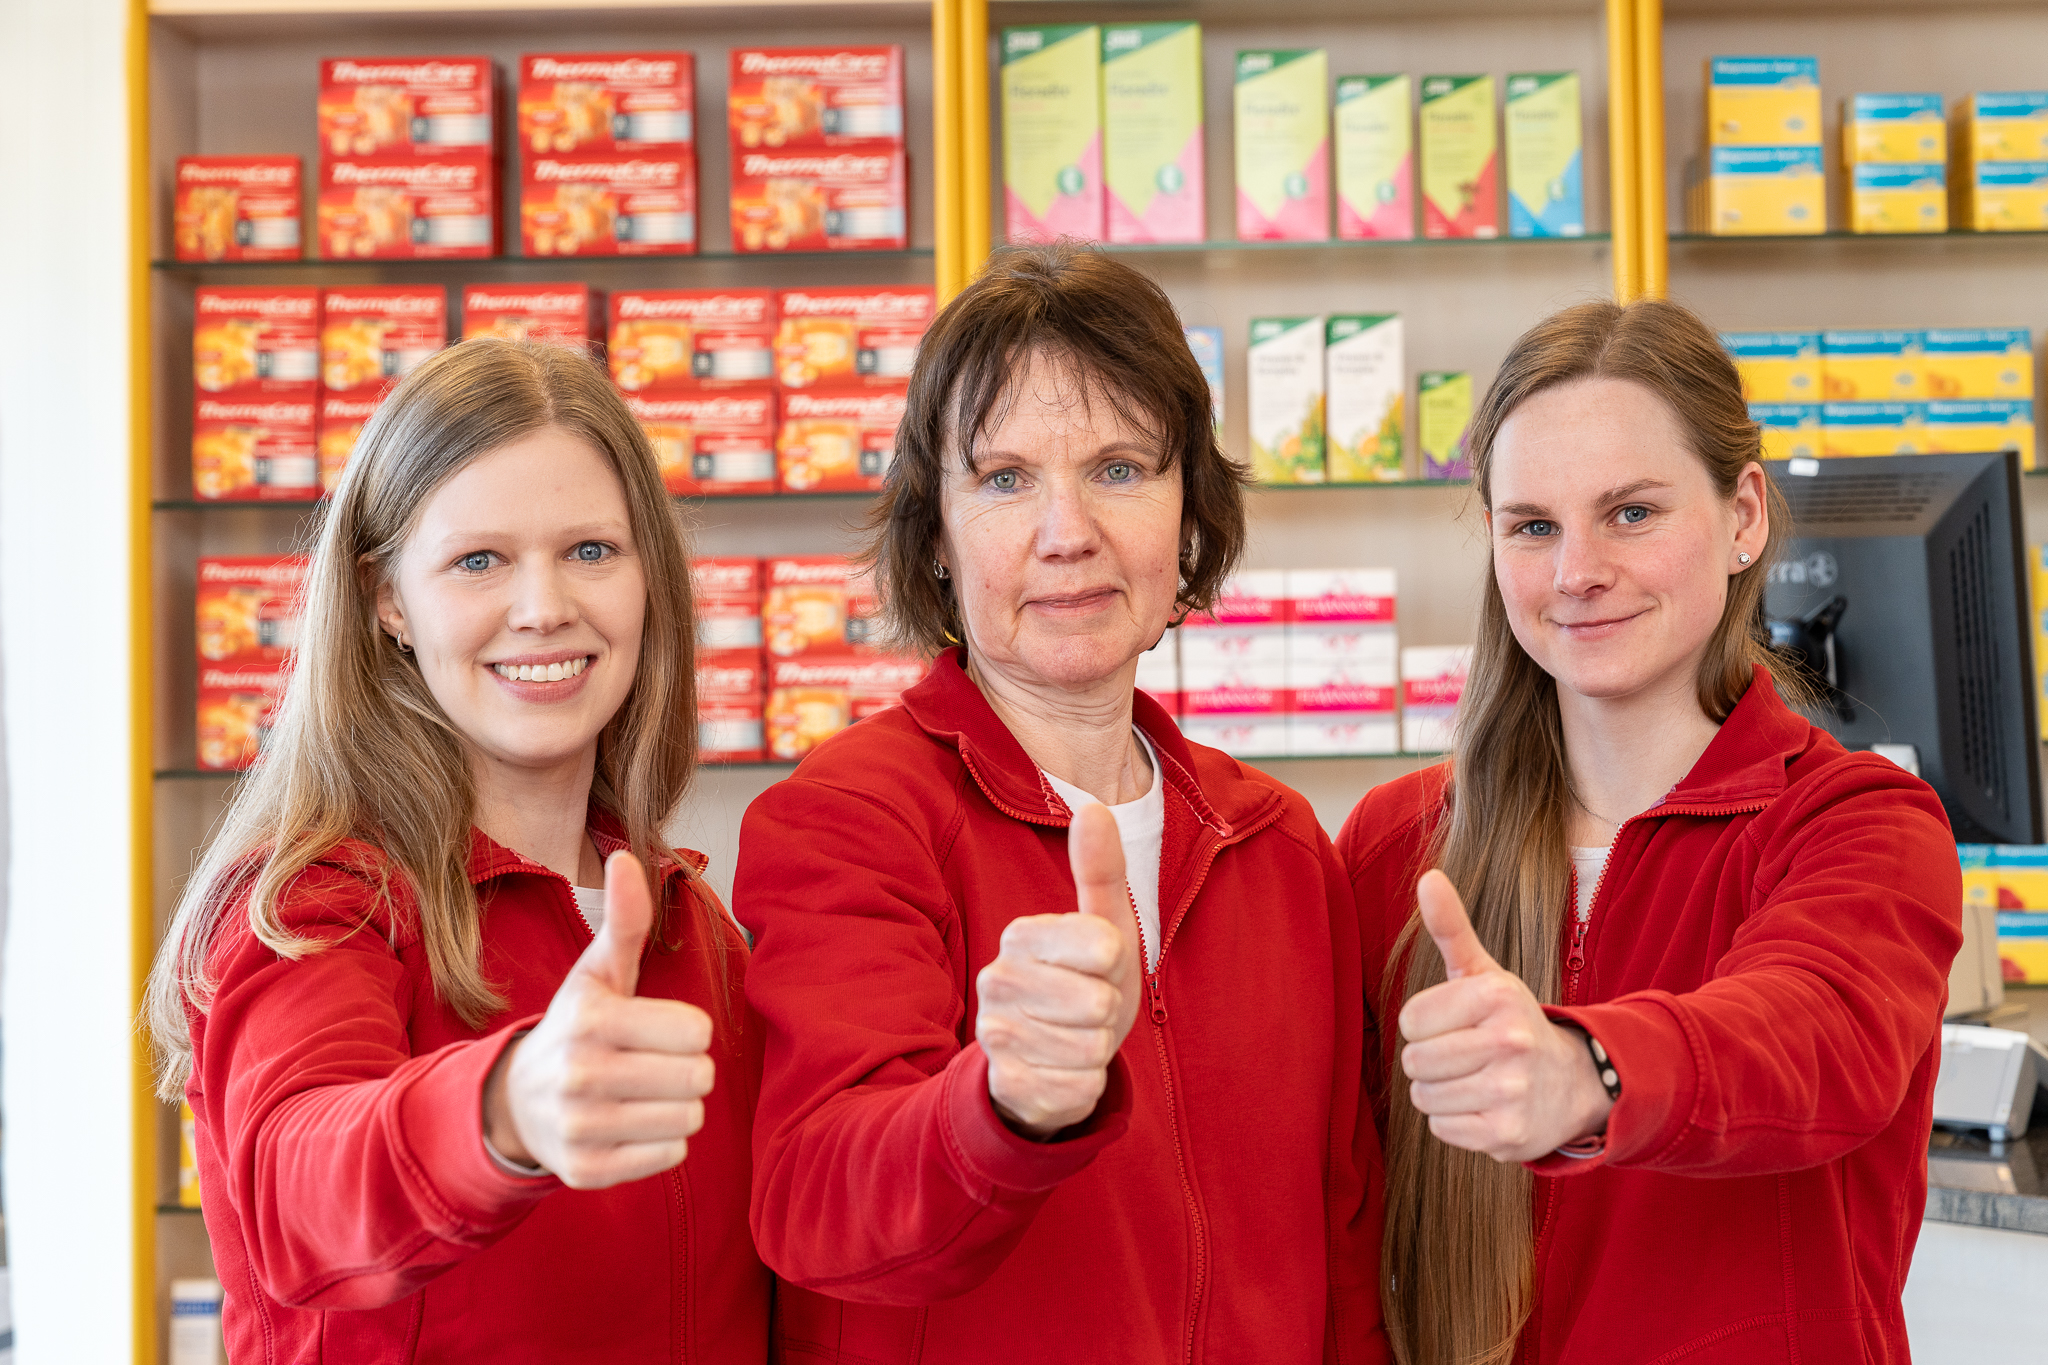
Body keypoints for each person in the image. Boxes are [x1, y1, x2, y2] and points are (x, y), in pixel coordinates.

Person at [732, 244, 1389, 1362]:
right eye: (1002, 478)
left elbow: (1342, 1246)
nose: (1065, 530)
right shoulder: (849, 822)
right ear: (935, 537)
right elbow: (816, 1209)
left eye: (1121, 468)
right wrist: (1001, 1106)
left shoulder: (1277, 847)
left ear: (1188, 517)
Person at [1342, 298, 1962, 1365]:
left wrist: (1586, 1070)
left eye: (1629, 512)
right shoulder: (1397, 844)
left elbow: (1810, 1039)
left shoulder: (1855, 825)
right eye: (1531, 525)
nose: (1575, 570)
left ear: (1741, 518)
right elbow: (1336, 1208)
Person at [143, 339, 769, 1363]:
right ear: (388, 598)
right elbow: (298, 1188)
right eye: (479, 560)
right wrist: (504, 1109)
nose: (542, 608)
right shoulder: (312, 901)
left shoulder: (685, 924)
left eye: (590, 551)